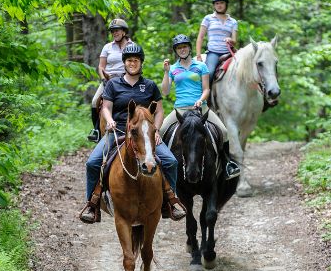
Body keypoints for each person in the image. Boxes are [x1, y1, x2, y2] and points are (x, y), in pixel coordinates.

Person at [80, 43, 186, 223]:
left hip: (145, 134)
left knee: (170, 161)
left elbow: (159, 111)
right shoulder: (113, 84)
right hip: (117, 130)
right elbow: (106, 107)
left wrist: (156, 130)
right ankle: (93, 204)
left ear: (141, 63)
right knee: (93, 163)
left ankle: (170, 201)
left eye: (136, 60)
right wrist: (110, 120)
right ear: (124, 63)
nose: (132, 63)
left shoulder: (150, 85)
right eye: (129, 60)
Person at [161, 34, 241, 180]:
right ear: (176, 51)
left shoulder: (201, 66)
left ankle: (227, 164)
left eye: (184, 46)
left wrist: (200, 100)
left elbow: (206, 90)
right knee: (160, 131)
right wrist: (166, 72)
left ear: (189, 48)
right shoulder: (173, 68)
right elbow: (165, 92)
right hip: (180, 110)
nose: (182, 49)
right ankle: (159, 167)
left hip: (200, 108)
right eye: (179, 48)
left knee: (223, 131)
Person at [88, 18, 132, 143]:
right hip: (109, 80)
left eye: (117, 30)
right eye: (113, 31)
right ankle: (96, 130)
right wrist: (103, 79)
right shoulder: (107, 47)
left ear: (124, 31)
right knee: (94, 101)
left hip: (127, 78)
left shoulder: (132, 46)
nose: (115, 33)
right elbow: (101, 66)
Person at [196, 0, 238, 84]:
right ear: (214, 5)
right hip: (214, 52)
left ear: (226, 4)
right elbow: (200, 37)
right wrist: (198, 55)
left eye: (221, 3)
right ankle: (204, 97)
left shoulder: (233, 21)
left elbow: (234, 41)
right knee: (209, 72)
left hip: (228, 53)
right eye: (217, 3)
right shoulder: (208, 18)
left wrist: (230, 40)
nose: (219, 5)